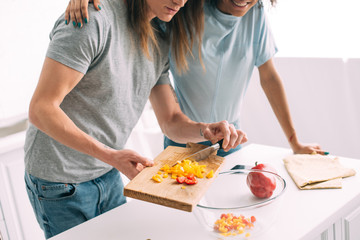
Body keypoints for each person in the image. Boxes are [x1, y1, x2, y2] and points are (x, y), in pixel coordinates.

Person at [25, 0, 247, 238]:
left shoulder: (159, 41)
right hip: (59, 181)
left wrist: (205, 130)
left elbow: (170, 120)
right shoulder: (93, 20)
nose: (180, 1)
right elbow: (41, 109)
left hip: (107, 170)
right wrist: (111, 156)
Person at [65, 0, 329, 157]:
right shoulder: (181, 9)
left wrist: (294, 142)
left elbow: (269, 78)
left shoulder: (256, 13)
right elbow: (136, 8)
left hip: (231, 139)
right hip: (183, 140)